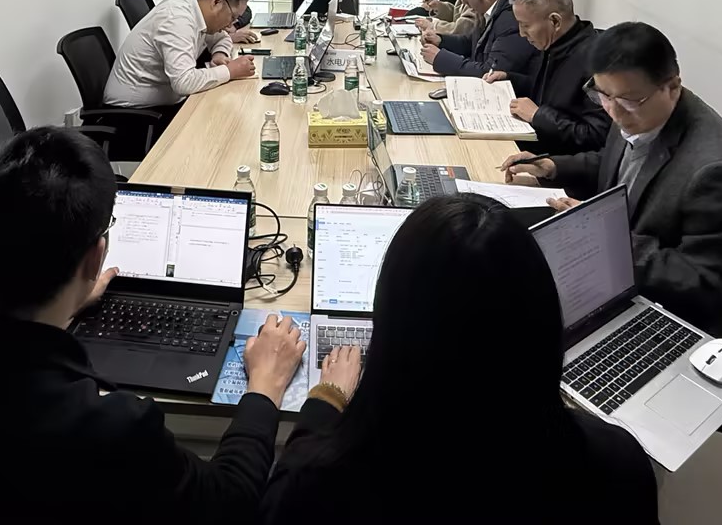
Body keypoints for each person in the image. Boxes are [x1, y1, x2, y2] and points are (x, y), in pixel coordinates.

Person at [0, 127, 307, 524]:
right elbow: (230, 502)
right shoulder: (108, 427)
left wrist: (74, 299)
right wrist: (264, 388)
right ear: (96, 258)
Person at [261, 195, 658, 524]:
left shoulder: (321, 487)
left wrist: (326, 398)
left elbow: (284, 488)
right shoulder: (619, 464)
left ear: (391, 325)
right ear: (543, 318)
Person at [503, 22, 722, 329]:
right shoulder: (635, 107)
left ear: (672, 87)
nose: (614, 112)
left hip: (669, 314)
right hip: (617, 273)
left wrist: (605, 238)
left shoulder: (720, 173)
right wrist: (553, 166)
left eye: (628, 101)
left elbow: (709, 285)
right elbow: (619, 165)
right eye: (602, 95)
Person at [483, 0, 609, 155]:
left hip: (557, 161)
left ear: (555, 22)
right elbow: (548, 90)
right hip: (533, 145)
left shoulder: (597, 61)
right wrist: (510, 79)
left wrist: (538, 116)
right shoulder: (552, 43)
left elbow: (596, 136)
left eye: (525, 25)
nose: (521, 33)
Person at [105, 0, 255, 109]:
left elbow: (222, 38)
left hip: (165, 99)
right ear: (217, 2)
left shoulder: (196, 6)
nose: (230, 25)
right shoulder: (177, 19)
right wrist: (230, 70)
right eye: (232, 17)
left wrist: (219, 54)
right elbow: (184, 82)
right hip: (134, 111)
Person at [420, 0, 537, 78]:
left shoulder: (512, 19)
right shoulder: (491, 9)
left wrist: (440, 59)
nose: (463, 2)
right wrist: (441, 40)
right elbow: (472, 43)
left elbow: (489, 72)